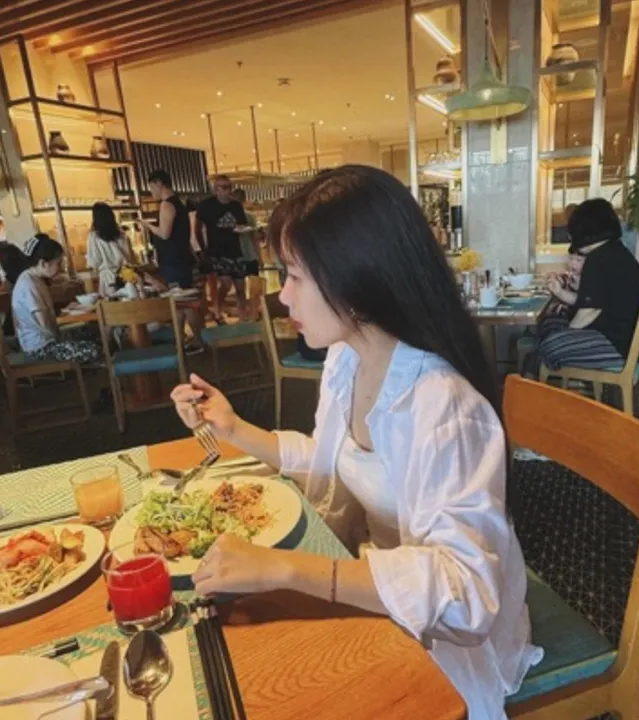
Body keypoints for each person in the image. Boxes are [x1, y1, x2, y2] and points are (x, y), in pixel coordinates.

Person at [171, 166, 541, 718]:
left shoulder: (445, 407)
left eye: (295, 276)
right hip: (375, 581)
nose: (282, 295)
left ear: (357, 280)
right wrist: (232, 427)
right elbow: (334, 459)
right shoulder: (348, 358)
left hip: (447, 633)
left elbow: (467, 597)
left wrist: (287, 569)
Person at [538, 198, 639, 371]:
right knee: (550, 323)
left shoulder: (598, 260)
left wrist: (567, 336)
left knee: (549, 346)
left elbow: (590, 311)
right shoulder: (615, 251)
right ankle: (565, 375)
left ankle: (541, 376)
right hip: (628, 340)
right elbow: (593, 302)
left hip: (618, 347)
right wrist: (561, 295)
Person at [139, 170, 204, 352]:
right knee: (180, 304)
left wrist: (148, 225)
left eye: (151, 187)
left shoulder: (167, 204)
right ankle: (182, 340)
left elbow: (165, 233)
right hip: (180, 259)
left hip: (174, 262)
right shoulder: (179, 203)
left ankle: (198, 341)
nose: (151, 191)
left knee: (185, 303)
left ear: (159, 183)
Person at [12, 234, 100, 364]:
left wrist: (64, 310)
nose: (61, 267)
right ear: (43, 263)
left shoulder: (35, 279)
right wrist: (64, 339)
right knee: (93, 349)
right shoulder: (29, 285)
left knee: (92, 330)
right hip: (40, 349)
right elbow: (45, 324)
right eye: (58, 263)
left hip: (47, 341)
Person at [196, 175, 249, 323]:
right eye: (224, 188)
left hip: (235, 250)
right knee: (225, 283)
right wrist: (202, 249)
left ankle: (243, 317)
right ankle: (218, 312)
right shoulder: (206, 206)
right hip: (217, 251)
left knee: (240, 286)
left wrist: (242, 229)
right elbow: (198, 228)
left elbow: (242, 225)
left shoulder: (236, 206)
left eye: (229, 187)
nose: (228, 191)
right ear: (216, 190)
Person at [86, 202, 133, 297]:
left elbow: (94, 262)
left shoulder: (94, 236)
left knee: (112, 304)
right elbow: (130, 258)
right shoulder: (122, 234)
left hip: (108, 279)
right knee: (129, 302)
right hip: (126, 275)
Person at [232, 187, 261, 320]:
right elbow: (255, 239)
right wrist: (259, 256)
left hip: (239, 256)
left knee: (240, 290)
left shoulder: (230, 218)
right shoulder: (249, 216)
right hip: (249, 255)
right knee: (254, 287)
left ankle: (242, 315)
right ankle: (253, 313)